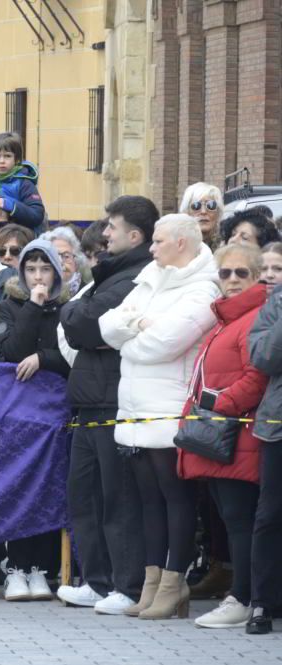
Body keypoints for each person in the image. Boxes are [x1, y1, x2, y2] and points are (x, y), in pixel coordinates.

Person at [99, 214, 219, 620]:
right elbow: (107, 325)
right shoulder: (152, 274)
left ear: (182, 243)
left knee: (177, 498)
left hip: (170, 407)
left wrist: (130, 336)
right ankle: (152, 582)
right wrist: (138, 327)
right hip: (135, 405)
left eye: (159, 241)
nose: (150, 248)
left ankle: (174, 581)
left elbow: (163, 345)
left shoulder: (204, 288)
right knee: (149, 500)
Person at [57, 195, 156, 613]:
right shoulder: (108, 273)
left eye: (112, 226)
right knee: (85, 496)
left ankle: (127, 584)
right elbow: (79, 315)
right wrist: (79, 314)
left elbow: (82, 322)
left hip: (113, 400)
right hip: (88, 400)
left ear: (134, 235)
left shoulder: (134, 277)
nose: (105, 232)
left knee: (117, 498)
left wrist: (79, 316)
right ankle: (95, 581)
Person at [174, 244, 268, 629]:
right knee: (230, 523)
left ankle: (244, 596)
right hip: (221, 434)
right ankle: (241, 593)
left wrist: (221, 405)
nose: (230, 280)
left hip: (238, 435)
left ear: (257, 276)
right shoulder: (227, 319)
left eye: (240, 273)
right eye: (224, 273)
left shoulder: (255, 317)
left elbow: (256, 374)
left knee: (240, 521)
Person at [0, 238, 69, 600]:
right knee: (21, 489)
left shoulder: (70, 306)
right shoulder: (9, 306)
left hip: (56, 413)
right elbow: (11, 351)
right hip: (20, 414)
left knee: (48, 489)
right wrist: (34, 306)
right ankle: (17, 569)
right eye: (31, 269)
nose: (38, 277)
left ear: (57, 271)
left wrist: (45, 358)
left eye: (45, 269)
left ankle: (42, 569)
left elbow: (74, 354)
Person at [246, 259, 282, 635]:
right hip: (277, 425)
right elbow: (264, 357)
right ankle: (262, 603)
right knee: (270, 515)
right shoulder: (276, 304)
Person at [41, 226, 91, 294]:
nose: (60, 262)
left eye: (66, 256)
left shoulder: (88, 292)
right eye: (54, 256)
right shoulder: (35, 293)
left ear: (76, 262)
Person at [180, 182, 225, 250]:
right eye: (196, 206)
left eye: (211, 205)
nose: (203, 211)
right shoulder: (176, 247)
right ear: (187, 212)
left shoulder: (227, 248)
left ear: (218, 213)